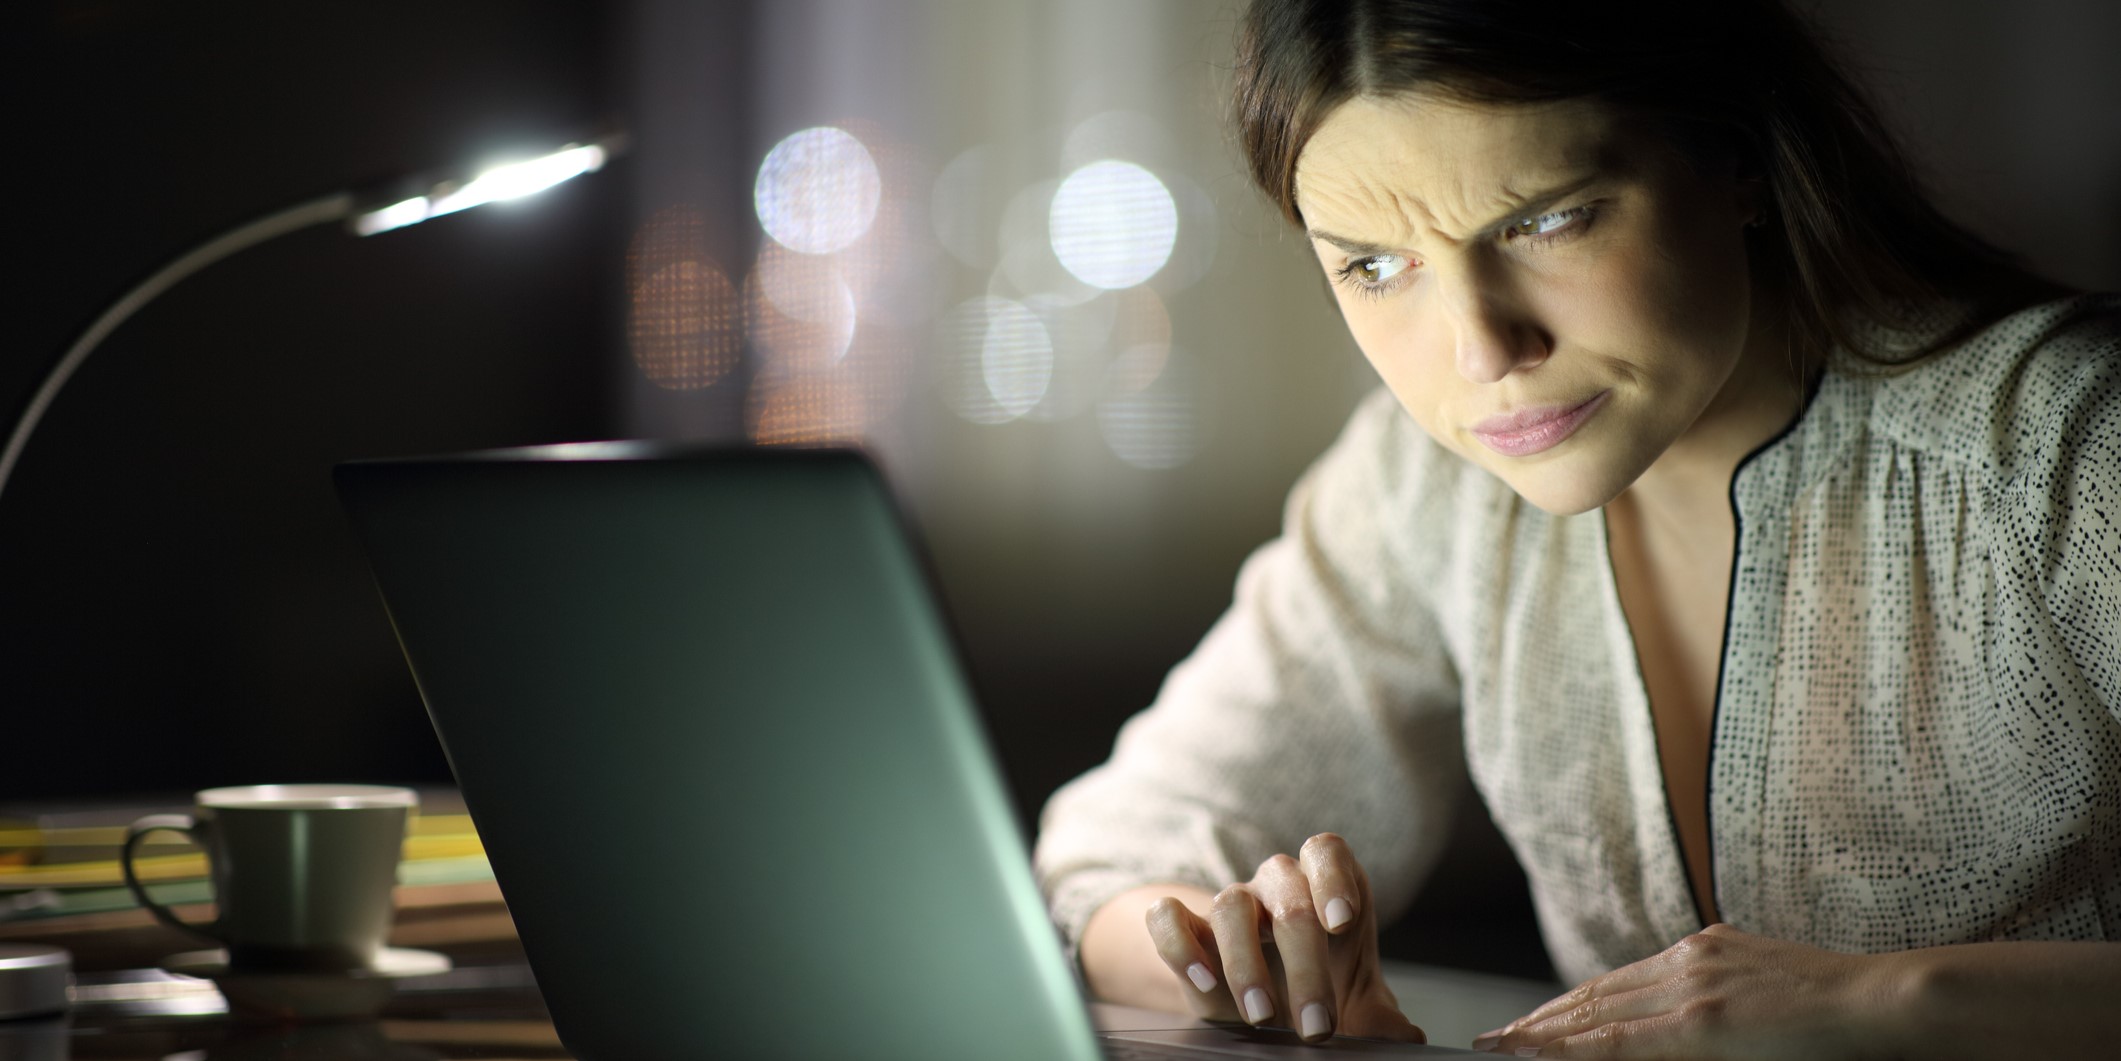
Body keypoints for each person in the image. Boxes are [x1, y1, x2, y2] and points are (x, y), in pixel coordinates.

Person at [1030, 0, 2121, 1056]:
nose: (1482, 350)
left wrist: (1895, 1004)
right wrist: (1243, 966)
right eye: (1375, 264)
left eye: (1548, 217)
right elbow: (1112, 858)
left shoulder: (2067, 450)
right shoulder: (1428, 484)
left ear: (1736, 155)